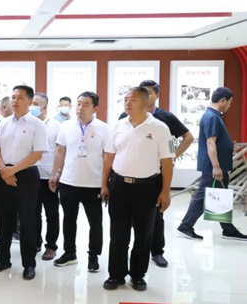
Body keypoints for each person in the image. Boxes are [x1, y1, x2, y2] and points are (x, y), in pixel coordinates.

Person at [102, 87, 174, 292]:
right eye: (125, 99)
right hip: (119, 186)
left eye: (132, 99)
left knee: (143, 234)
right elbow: (108, 157)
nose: (127, 103)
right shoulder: (117, 126)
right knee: (118, 233)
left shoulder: (160, 128)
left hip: (147, 188)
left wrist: (165, 191)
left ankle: (138, 275)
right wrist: (104, 184)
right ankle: (115, 275)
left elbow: (167, 162)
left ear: (145, 102)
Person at [118, 79, 195, 267]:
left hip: (155, 174)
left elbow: (188, 137)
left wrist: (172, 155)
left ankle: (157, 251)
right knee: (126, 220)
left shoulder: (165, 118)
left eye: (149, 92)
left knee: (156, 214)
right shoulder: (125, 116)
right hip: (129, 175)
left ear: (156, 96)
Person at [0, 85, 48, 280]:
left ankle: (29, 264)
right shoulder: (4, 123)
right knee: (5, 218)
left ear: (30, 101)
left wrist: (12, 170)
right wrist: (4, 170)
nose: (14, 101)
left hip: (26, 176)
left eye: (19, 97)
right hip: (4, 174)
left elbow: (37, 154)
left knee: (27, 220)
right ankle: (3, 260)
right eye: (13, 97)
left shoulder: (36, 124)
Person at [177, 87, 247, 241]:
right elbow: (210, 142)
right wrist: (216, 166)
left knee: (219, 195)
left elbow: (215, 141)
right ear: (223, 100)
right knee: (203, 196)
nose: (230, 105)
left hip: (217, 165)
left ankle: (228, 229)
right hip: (213, 166)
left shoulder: (214, 116)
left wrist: (227, 145)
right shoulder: (212, 117)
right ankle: (185, 226)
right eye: (229, 102)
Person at [50, 92, 109, 272]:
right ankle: (69, 253)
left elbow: (107, 157)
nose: (80, 108)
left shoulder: (104, 129)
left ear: (95, 109)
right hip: (69, 181)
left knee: (95, 222)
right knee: (69, 219)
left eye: (85, 104)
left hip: (93, 183)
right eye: (78, 104)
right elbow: (60, 151)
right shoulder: (66, 126)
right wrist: (54, 174)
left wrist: (105, 183)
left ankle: (93, 256)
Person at [30, 92, 62, 261]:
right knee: (33, 213)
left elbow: (60, 151)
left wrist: (57, 174)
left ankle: (51, 246)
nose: (32, 106)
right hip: (31, 176)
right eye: (31, 103)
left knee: (52, 213)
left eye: (35, 103)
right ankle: (35, 242)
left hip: (49, 178)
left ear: (44, 107)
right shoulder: (28, 123)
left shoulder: (56, 126)